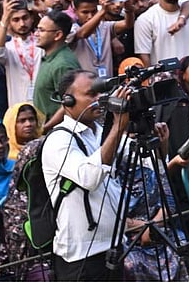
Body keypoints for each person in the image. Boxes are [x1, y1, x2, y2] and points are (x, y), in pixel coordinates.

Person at [40, 69, 129, 281]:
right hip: (82, 257)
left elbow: (144, 159)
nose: (99, 99)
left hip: (113, 245)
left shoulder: (99, 132)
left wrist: (160, 142)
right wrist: (118, 127)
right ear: (68, 100)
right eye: (91, 94)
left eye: (100, 92)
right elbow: (89, 178)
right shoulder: (58, 140)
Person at [31, 11, 82, 129]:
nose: (36, 34)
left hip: (57, 132)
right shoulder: (50, 58)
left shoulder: (63, 64)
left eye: (41, 30)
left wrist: (45, 128)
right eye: (37, 29)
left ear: (58, 35)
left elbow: (69, 104)